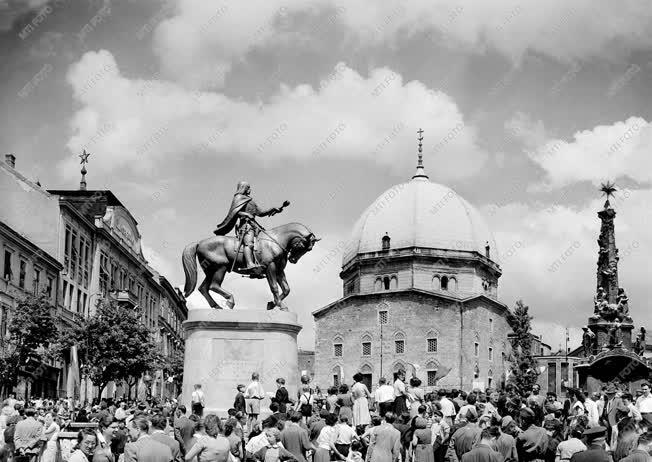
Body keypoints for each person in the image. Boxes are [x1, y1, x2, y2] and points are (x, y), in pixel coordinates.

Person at [214, 181, 288, 272]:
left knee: (264, 244)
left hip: (255, 226)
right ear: (243, 188)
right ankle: (249, 264)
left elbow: (260, 213)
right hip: (246, 226)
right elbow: (234, 212)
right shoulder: (238, 198)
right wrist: (245, 214)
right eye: (248, 188)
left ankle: (261, 262)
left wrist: (272, 209)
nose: (250, 190)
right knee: (249, 243)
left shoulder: (251, 201)